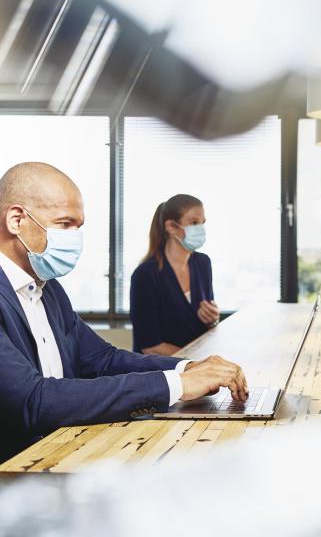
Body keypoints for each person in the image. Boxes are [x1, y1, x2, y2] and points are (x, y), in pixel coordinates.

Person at [0, 162, 248, 462]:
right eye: (65, 224)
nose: (74, 238)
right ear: (16, 220)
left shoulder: (48, 289)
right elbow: (33, 401)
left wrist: (188, 369)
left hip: (63, 451)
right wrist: (177, 385)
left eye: (79, 227)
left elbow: (102, 359)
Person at [130, 194, 219, 355]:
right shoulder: (145, 275)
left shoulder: (203, 263)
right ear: (171, 227)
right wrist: (197, 363)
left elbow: (204, 327)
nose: (200, 229)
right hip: (161, 372)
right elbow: (151, 347)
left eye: (202, 223)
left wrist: (212, 319)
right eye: (194, 223)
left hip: (197, 369)